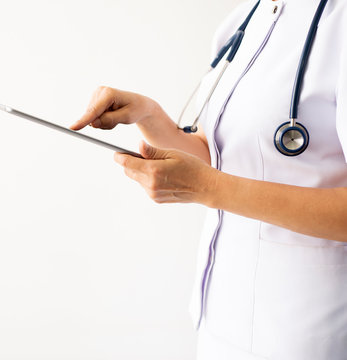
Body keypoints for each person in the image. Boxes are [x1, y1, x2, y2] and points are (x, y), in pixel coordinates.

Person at [69, 0, 347, 359]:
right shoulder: (249, 16)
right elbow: (223, 156)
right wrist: (150, 116)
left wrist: (207, 188)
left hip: (305, 330)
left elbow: (214, 181)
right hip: (220, 315)